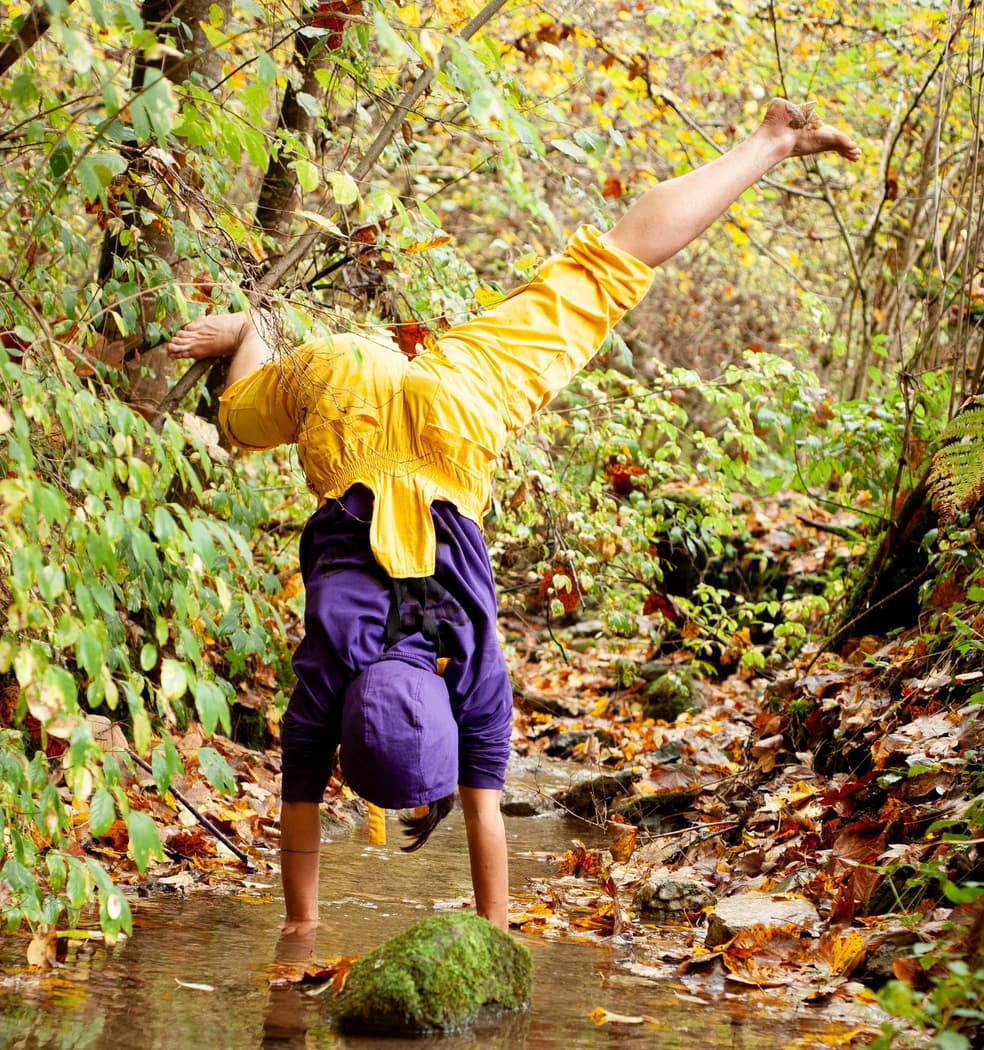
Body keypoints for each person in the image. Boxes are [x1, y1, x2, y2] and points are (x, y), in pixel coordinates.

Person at [167, 98, 859, 936]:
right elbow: (343, 815)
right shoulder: (352, 667)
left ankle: (253, 326)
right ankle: (771, 139)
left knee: (242, 416)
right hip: (427, 397)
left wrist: (303, 937)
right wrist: (434, 931)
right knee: (607, 267)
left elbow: (364, 816)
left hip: (392, 400)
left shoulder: (459, 665)